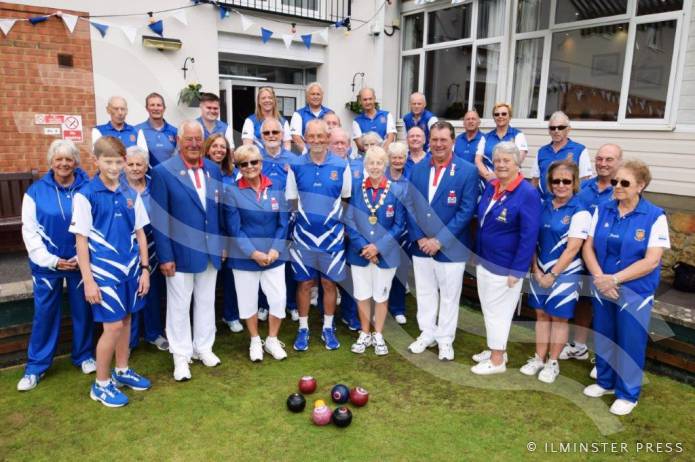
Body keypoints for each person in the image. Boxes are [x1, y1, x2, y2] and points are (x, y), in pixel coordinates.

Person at [582, 160, 670, 416]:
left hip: (634, 291)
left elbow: (651, 261)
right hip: (603, 286)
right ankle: (606, 382)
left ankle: (628, 393)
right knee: (605, 335)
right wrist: (600, 278)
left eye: (624, 183)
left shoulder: (655, 216)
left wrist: (614, 279)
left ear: (640, 186)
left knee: (630, 341)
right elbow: (588, 246)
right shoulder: (603, 208)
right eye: (614, 182)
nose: (617, 187)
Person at [70, 136, 152, 407]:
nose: (115, 167)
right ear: (96, 161)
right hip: (104, 273)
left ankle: (123, 370)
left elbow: (140, 233)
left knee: (126, 320)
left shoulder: (130, 192)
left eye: (119, 161)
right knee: (113, 325)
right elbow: (81, 241)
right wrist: (88, 281)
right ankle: (101, 385)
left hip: (131, 269)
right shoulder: (86, 194)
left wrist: (145, 269)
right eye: (109, 161)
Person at [17, 140, 95, 392]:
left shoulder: (88, 187)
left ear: (75, 162)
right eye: (58, 159)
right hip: (47, 266)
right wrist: (51, 260)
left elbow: (96, 224)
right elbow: (29, 231)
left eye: (68, 159)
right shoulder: (35, 192)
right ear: (51, 162)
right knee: (45, 315)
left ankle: (84, 356)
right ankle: (36, 367)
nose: (63, 163)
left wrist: (82, 256)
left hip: (79, 262)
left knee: (83, 310)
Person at [150, 120, 224, 381]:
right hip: (179, 254)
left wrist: (222, 244)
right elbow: (159, 219)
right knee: (179, 306)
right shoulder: (163, 172)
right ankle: (181, 357)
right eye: (188, 139)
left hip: (210, 251)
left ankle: (203, 347)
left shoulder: (214, 170)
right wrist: (165, 255)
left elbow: (218, 211)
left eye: (197, 139)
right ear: (179, 141)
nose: (193, 144)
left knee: (206, 302)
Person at [406, 121, 479, 361]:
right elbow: (411, 205)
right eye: (434, 139)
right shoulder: (417, 169)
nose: (438, 144)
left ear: (453, 142)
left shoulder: (467, 170)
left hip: (451, 247)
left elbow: (466, 211)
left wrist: (439, 240)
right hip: (421, 246)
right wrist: (420, 238)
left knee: (449, 296)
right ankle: (427, 333)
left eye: (443, 140)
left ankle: (445, 340)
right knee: (425, 293)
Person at [471, 142, 541, 375]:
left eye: (506, 161)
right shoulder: (493, 186)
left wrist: (518, 270)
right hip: (485, 259)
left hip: (506, 265)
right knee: (489, 310)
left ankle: (497, 360)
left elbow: (528, 236)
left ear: (517, 163)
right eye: (497, 160)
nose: (501, 165)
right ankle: (495, 349)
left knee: (499, 313)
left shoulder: (527, 193)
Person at [521, 160, 590, 383]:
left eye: (566, 181)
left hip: (565, 272)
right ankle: (539, 358)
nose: (560, 185)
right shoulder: (542, 204)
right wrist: (535, 269)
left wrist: (552, 275)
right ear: (549, 183)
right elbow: (532, 238)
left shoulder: (581, 210)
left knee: (558, 318)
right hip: (539, 268)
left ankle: (553, 363)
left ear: (575, 183)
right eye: (555, 180)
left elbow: (573, 248)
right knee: (541, 315)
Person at [285, 119, 352, 351]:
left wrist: (333, 224)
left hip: (332, 237)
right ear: (304, 137)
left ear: (327, 137)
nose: (316, 140)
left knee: (329, 283)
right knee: (304, 284)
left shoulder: (342, 165)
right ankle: (303, 328)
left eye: (320, 136)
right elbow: (292, 200)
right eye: (311, 136)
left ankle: (328, 327)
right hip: (303, 237)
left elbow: (345, 198)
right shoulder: (296, 165)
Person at [224, 145, 290, 362]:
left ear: (261, 163)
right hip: (245, 259)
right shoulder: (232, 191)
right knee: (247, 302)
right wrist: (253, 253)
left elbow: (283, 222)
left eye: (254, 162)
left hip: (274, 255)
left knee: (278, 299)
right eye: (244, 164)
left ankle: (272, 339)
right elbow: (235, 229)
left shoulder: (276, 186)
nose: (250, 167)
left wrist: (274, 250)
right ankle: (254, 340)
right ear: (238, 167)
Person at [345, 146, 406, 355]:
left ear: (385, 165)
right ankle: (364, 333)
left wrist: (377, 247)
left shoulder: (396, 190)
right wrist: (364, 246)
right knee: (362, 294)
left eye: (379, 163)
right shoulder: (356, 187)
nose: (375, 167)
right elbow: (350, 220)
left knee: (381, 295)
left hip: (385, 255)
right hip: (360, 252)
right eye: (371, 163)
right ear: (365, 165)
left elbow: (399, 225)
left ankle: (378, 334)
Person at [569, 144, 623, 374]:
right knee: (583, 301)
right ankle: (579, 346)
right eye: (599, 158)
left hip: (608, 259)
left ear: (619, 162)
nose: (602, 163)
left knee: (606, 307)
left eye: (609, 159)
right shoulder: (584, 187)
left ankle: (606, 359)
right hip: (581, 254)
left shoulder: (622, 188)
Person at [122, 146, 169, 352]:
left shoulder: (155, 184)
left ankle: (154, 334)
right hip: (129, 247)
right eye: (130, 164)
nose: (134, 168)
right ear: (124, 165)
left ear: (146, 165)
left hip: (155, 244)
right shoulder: (118, 188)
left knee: (153, 291)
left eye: (138, 164)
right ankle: (129, 341)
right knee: (131, 294)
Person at [257, 118, 299, 322]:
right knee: (265, 260)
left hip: (289, 217)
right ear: (261, 136)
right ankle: (264, 304)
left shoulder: (293, 159)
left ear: (282, 135)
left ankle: (291, 303)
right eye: (267, 133)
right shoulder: (255, 158)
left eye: (275, 132)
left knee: (289, 262)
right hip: (264, 219)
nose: (272, 136)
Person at [203, 133, 243, 334]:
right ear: (207, 148)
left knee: (230, 276)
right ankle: (207, 321)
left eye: (223, 147)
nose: (219, 150)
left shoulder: (234, 173)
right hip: (208, 231)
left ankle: (231, 315)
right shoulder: (200, 171)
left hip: (230, 231)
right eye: (215, 146)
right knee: (206, 280)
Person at [531, 111, 592, 199]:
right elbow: (534, 180)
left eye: (560, 127)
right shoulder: (541, 151)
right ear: (549, 131)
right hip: (545, 204)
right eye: (552, 128)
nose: (556, 131)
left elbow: (585, 181)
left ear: (568, 129)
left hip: (569, 204)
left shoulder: (580, 150)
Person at [386, 142, 411, 324]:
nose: (397, 160)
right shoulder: (381, 176)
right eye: (394, 157)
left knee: (400, 271)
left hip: (403, 232)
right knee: (382, 272)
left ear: (405, 158)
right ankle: (380, 308)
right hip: (383, 232)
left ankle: (398, 308)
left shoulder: (411, 178)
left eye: (400, 157)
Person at [475, 103, 528, 185]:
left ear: (510, 117)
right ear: (494, 118)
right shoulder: (485, 137)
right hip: (489, 182)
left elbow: (519, 159)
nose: (500, 116)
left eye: (504, 114)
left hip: (512, 182)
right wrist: (488, 175)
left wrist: (500, 175)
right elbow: (478, 160)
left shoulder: (518, 135)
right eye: (497, 114)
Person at [135, 92, 178, 167]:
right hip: (147, 177)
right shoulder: (137, 130)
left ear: (164, 108)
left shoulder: (175, 131)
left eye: (159, 105)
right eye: (152, 105)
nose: (156, 108)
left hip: (169, 177)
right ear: (147, 108)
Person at [291, 82, 332, 153]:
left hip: (326, 154)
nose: (315, 96)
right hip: (306, 156)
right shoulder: (298, 114)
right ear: (307, 97)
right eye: (313, 94)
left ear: (322, 96)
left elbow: (333, 135)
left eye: (318, 94)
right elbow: (296, 137)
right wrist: (307, 153)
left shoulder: (330, 113)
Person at [352, 87, 397, 153]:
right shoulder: (357, 121)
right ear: (360, 101)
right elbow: (360, 145)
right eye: (365, 99)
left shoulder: (387, 115)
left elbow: (391, 138)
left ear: (374, 99)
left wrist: (380, 154)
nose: (368, 102)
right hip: (366, 159)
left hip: (384, 157)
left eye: (370, 99)